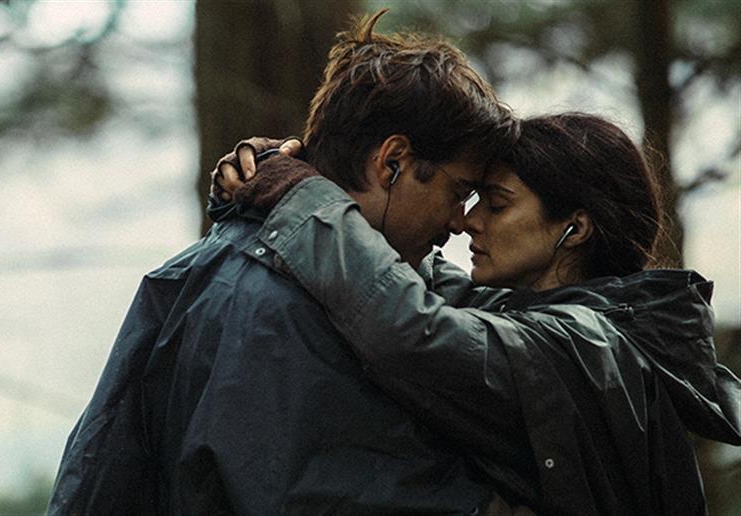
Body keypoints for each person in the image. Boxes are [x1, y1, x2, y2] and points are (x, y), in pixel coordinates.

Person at [48, 11, 521, 515]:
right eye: (459, 192)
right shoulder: (280, 310)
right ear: (392, 162)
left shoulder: (213, 268)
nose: (458, 222)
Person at [213, 112, 741, 515]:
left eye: (498, 203)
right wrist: (300, 177)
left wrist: (302, 196)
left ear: (575, 229)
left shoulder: (586, 346)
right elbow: (410, 279)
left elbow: (408, 327)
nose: (468, 221)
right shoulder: (538, 318)